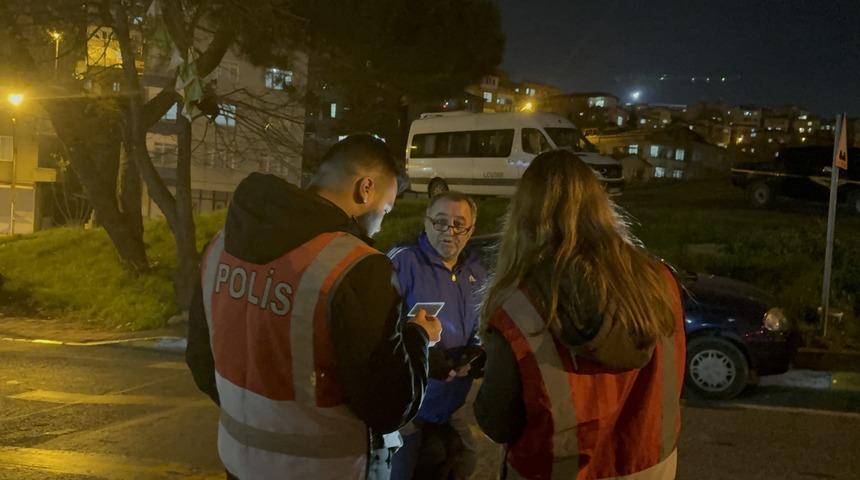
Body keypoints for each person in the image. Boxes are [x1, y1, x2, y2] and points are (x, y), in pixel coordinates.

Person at [186, 134, 443, 480]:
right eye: (386, 209)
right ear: (365, 189)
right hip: (323, 469)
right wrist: (418, 337)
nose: (382, 222)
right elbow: (388, 405)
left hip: (239, 460)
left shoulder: (220, 247)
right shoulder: (357, 267)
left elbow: (201, 359)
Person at [473, 150, 686, 480]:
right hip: (651, 465)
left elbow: (497, 422)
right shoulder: (659, 281)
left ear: (524, 216)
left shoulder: (521, 307)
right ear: (600, 204)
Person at [387, 192, 487, 480]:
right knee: (401, 471)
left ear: (471, 230)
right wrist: (424, 355)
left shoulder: (476, 271)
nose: (449, 231)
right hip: (409, 406)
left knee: (465, 462)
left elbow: (481, 325)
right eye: (441, 222)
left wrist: (476, 354)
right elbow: (378, 330)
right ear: (426, 222)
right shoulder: (402, 262)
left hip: (453, 402)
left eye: (459, 224)